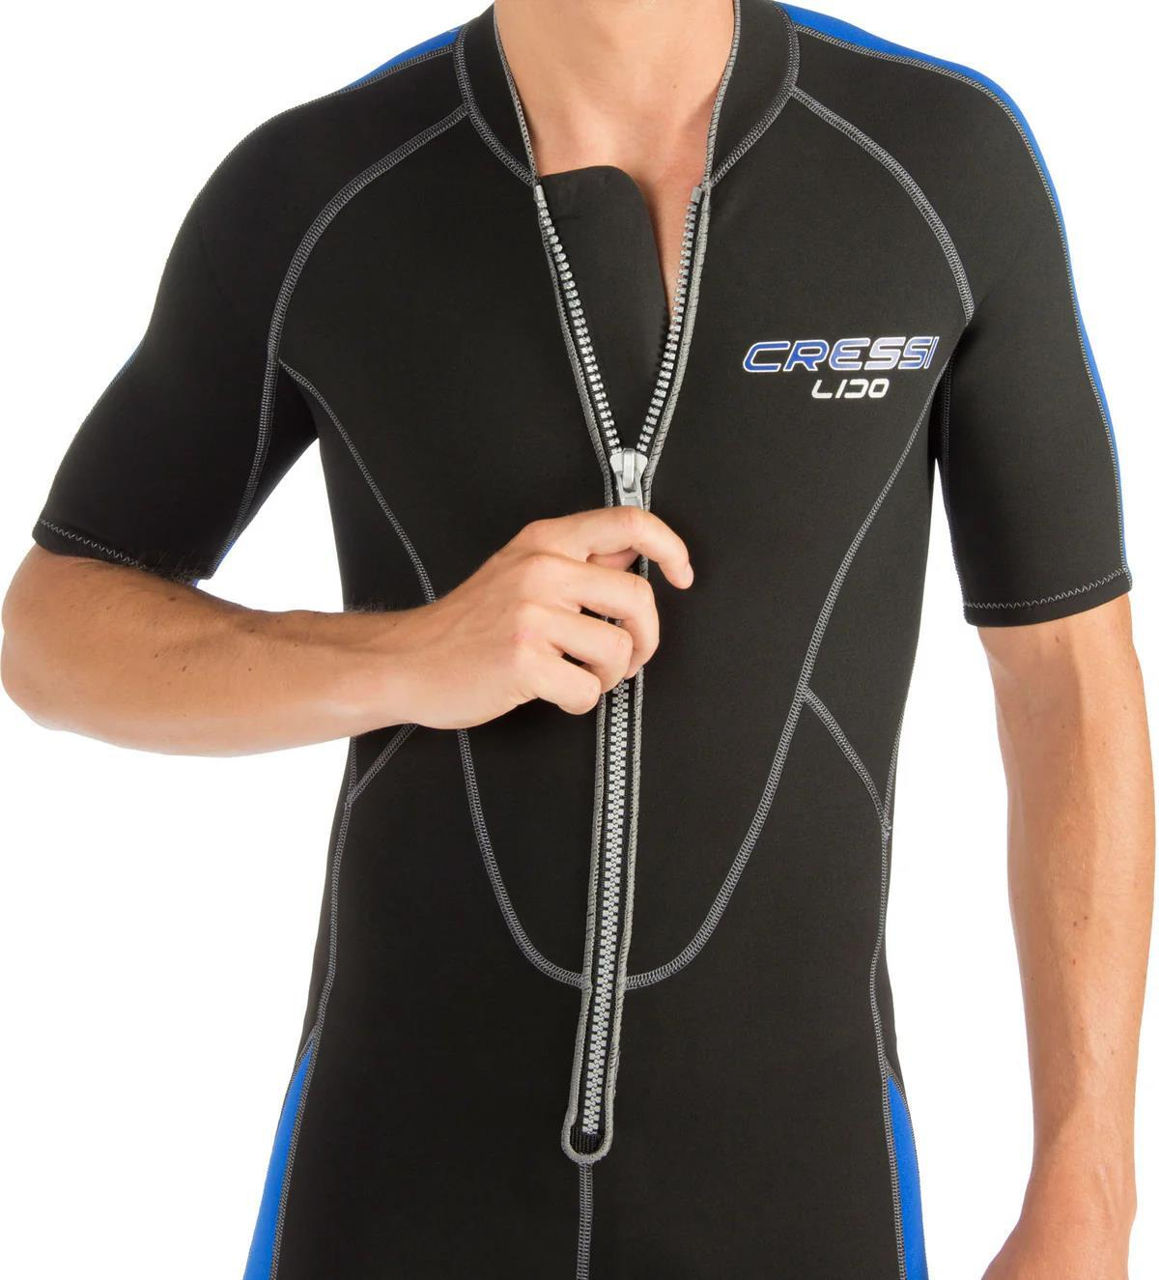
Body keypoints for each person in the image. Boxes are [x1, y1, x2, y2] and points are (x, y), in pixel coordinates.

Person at [1, 1, 1152, 1276]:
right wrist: (407, 655)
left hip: (799, 1196)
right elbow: (50, 627)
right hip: (392, 1192)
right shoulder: (321, 188)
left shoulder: (933, 161)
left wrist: (1087, 1187)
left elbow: (1063, 674)